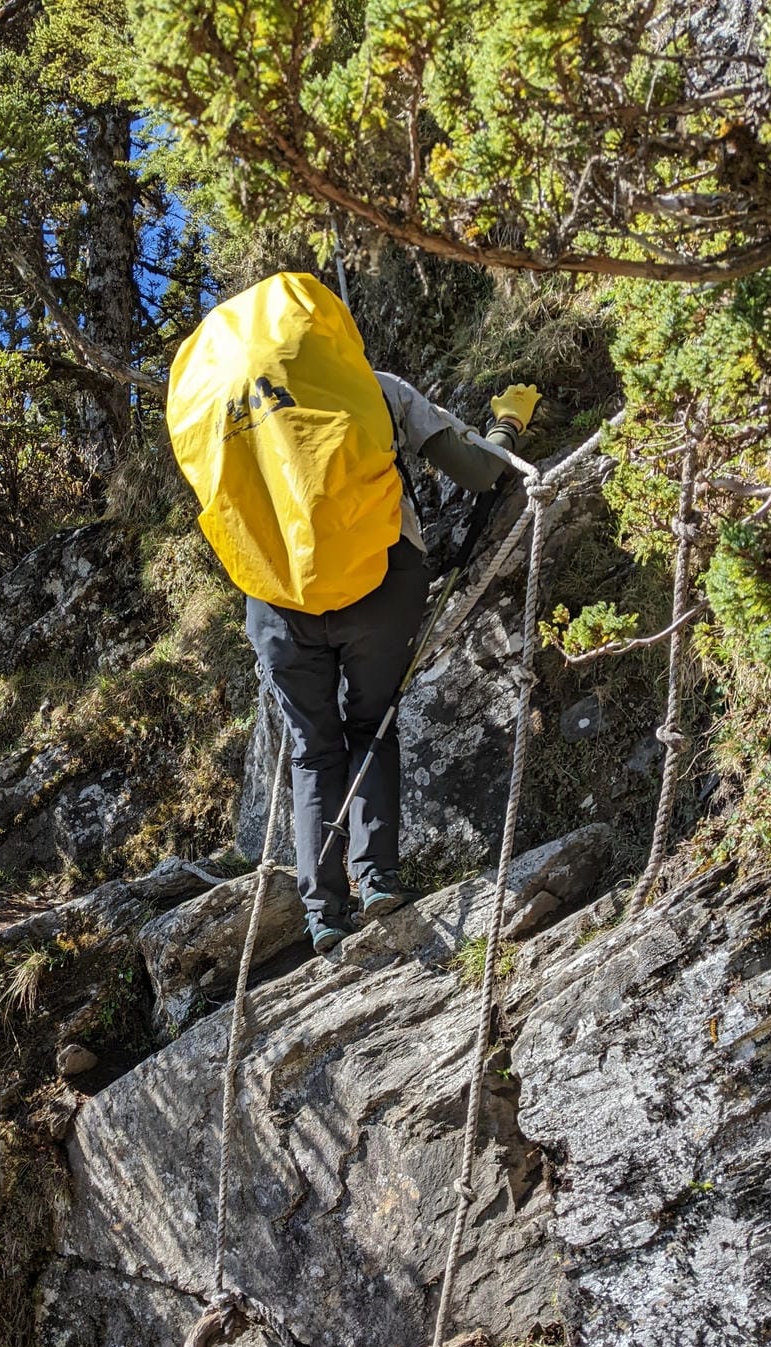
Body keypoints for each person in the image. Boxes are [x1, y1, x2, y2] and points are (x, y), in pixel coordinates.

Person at [165, 272, 540, 953]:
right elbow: (482, 472)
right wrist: (508, 423)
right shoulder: (375, 388)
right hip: (380, 584)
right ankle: (375, 878)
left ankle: (323, 913)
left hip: (277, 606)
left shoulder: (222, 421)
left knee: (313, 752)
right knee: (372, 726)